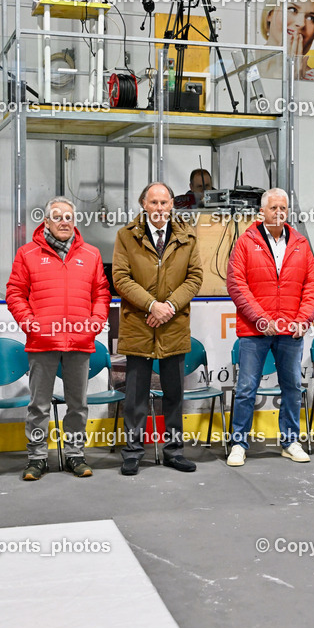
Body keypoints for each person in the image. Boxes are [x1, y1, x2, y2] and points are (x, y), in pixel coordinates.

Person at [6, 197, 111, 480]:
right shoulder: (27, 254)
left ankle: (75, 455)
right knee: (38, 406)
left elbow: (101, 293)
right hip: (43, 342)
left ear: (74, 222)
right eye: (58, 217)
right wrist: (31, 324)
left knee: (78, 404)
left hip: (80, 341)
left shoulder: (90, 254)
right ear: (47, 222)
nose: (64, 222)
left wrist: (95, 323)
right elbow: (15, 293)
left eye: (69, 217)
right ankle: (37, 457)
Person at [112, 182, 203, 475]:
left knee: (174, 395)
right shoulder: (126, 236)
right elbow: (121, 278)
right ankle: (133, 452)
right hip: (139, 325)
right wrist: (153, 306)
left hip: (173, 326)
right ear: (144, 205)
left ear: (172, 205)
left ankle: (174, 451)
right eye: (154, 203)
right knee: (135, 395)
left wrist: (170, 308)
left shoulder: (187, 236)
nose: (159, 209)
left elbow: (195, 277)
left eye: (164, 203)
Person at [225, 188, 314, 466]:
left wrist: (303, 319)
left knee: (291, 387)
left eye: (283, 208)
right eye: (274, 208)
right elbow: (236, 284)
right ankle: (239, 444)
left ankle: (290, 441)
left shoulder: (301, 243)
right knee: (245, 389)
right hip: (255, 331)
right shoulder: (245, 242)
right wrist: (260, 318)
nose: (279, 213)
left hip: (290, 331)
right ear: (261, 212)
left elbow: (312, 284)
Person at [258, 0, 314, 81]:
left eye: (311, 18)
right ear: (270, 14)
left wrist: (296, 82)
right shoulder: (243, 61)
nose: (301, 23)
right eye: (292, 10)